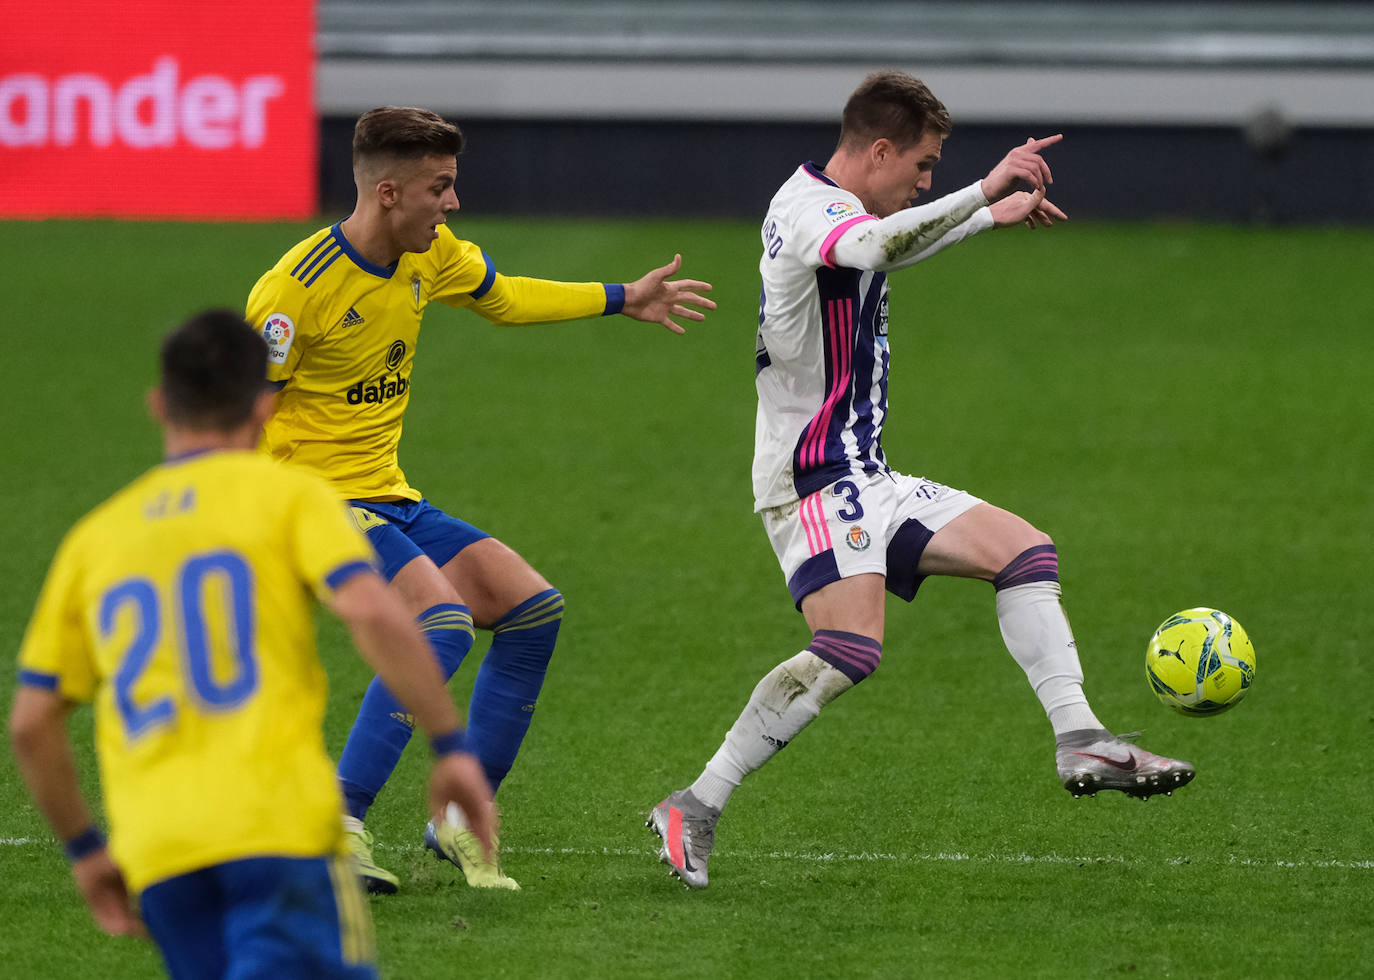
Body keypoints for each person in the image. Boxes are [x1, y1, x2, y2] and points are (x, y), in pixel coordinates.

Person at [647, 70, 1195, 889]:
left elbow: (883, 247)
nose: (926, 182)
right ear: (878, 150)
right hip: (816, 477)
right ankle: (697, 802)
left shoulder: (832, 205)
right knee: (846, 650)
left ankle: (1080, 739)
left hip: (864, 470)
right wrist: (983, 190)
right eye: (924, 166)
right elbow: (871, 245)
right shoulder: (814, 213)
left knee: (1024, 551)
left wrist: (985, 214)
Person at [245, 105, 714, 893]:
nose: (453, 203)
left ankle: (460, 821)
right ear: (389, 192)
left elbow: (503, 296)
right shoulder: (294, 292)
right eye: (441, 187)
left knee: (532, 610)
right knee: (441, 621)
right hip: (311, 504)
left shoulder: (431, 256)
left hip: (387, 497)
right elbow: (240, 421)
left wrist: (619, 295)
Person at [9, 311, 496, 977]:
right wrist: (448, 746)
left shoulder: (94, 540)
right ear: (266, 408)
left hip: (160, 854)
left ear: (159, 405)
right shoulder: (291, 498)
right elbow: (374, 612)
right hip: (279, 830)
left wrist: (88, 851)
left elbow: (33, 722)